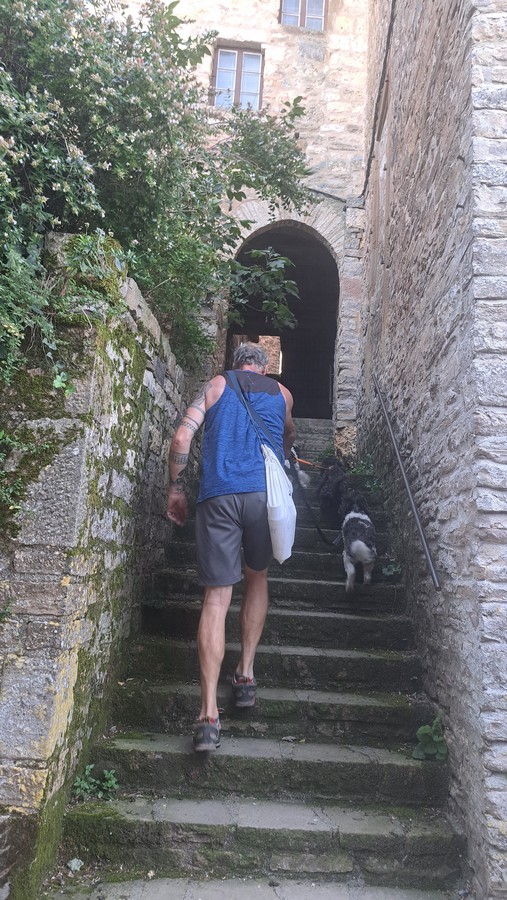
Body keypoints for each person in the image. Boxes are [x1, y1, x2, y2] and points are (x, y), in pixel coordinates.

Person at [166, 343, 296, 751]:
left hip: (218, 496)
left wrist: (175, 487)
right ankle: (245, 674)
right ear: (264, 366)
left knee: (216, 599)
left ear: (235, 363)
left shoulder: (217, 385)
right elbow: (289, 434)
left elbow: (183, 435)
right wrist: (285, 451)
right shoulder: (282, 393)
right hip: (263, 496)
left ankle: (207, 716)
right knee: (257, 577)